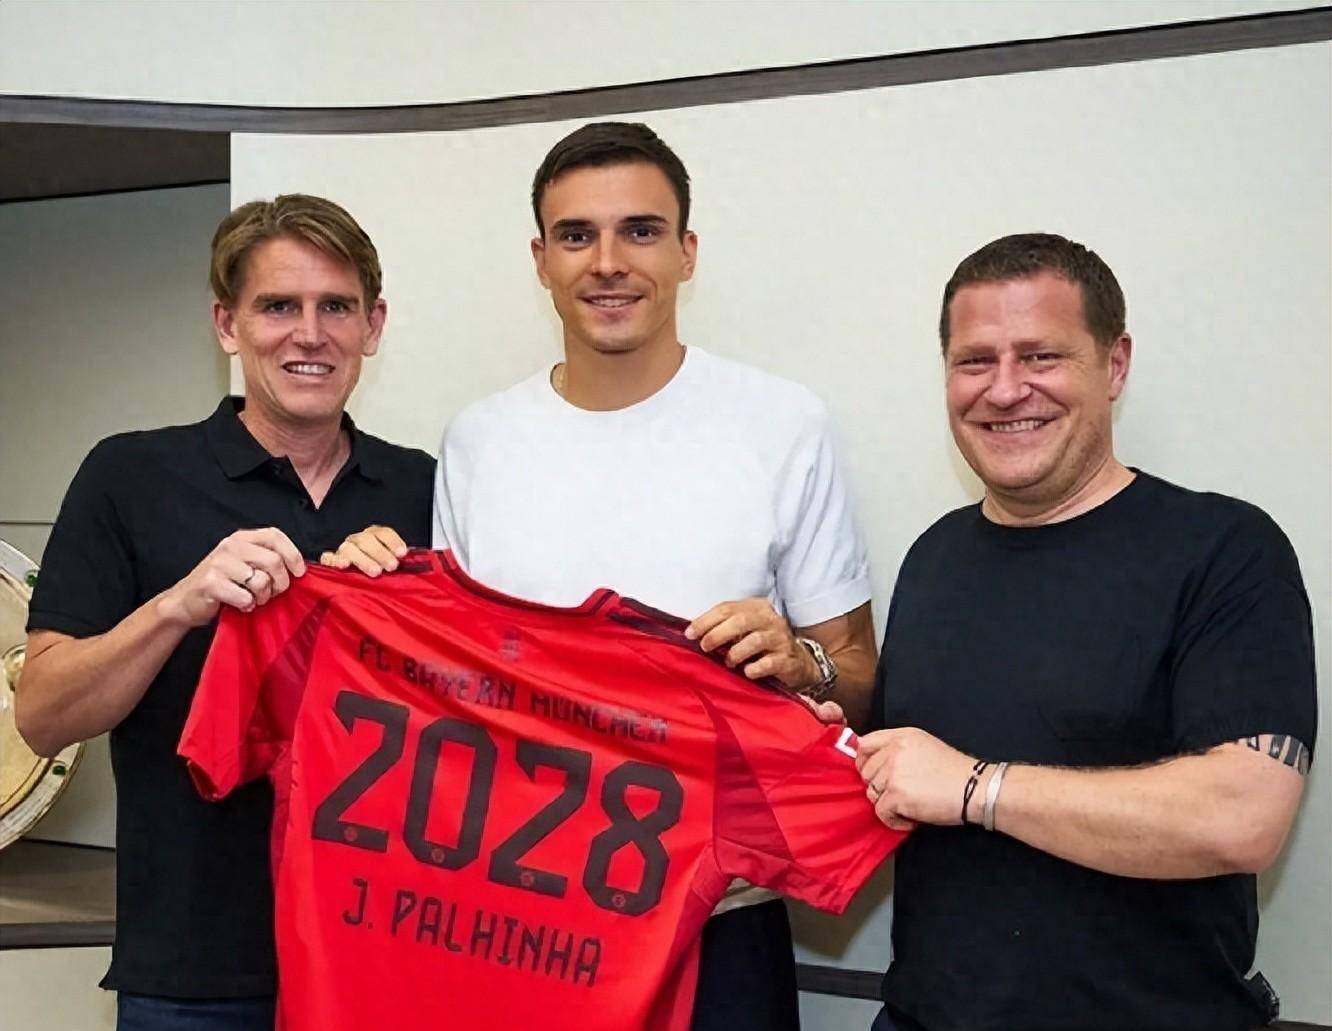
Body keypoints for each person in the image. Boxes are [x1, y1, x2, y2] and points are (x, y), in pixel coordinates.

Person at [325, 122, 877, 1029]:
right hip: (518, 926)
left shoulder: (785, 424)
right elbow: (444, 694)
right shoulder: (479, 441)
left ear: (687, 251)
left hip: (719, 923)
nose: (609, 262)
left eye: (641, 231)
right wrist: (363, 596)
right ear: (540, 261)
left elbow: (857, 679)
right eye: (577, 235)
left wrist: (801, 663)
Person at [856, 233, 1316, 1031]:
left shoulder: (1224, 548)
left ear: (1115, 363)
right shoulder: (934, 556)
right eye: (975, 361)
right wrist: (795, 696)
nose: (1005, 389)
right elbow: (904, 776)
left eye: (1041, 356)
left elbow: (1243, 816)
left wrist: (976, 788)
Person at [17, 194, 435, 1031]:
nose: (309, 334)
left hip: (384, 966)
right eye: (278, 306)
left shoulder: (426, 489)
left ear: (374, 325)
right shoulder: (130, 476)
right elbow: (42, 715)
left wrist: (410, 596)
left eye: (336, 307)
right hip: (194, 974)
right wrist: (177, 605)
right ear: (226, 324)